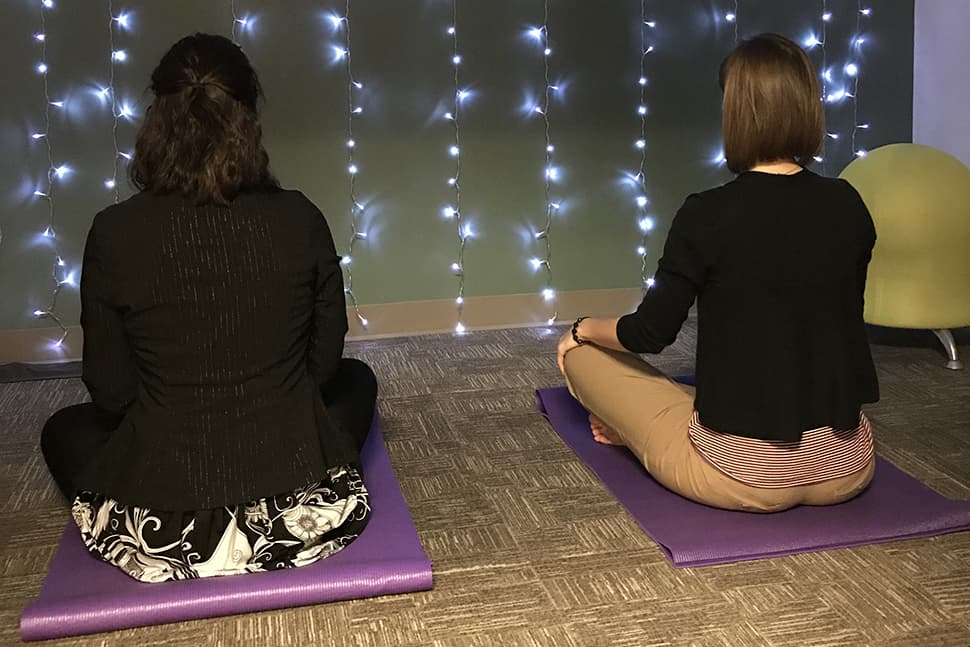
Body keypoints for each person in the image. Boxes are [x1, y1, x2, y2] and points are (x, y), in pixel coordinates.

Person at [40, 34, 376, 581]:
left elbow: (112, 390)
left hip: (165, 530)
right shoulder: (300, 217)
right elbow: (322, 368)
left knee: (64, 430)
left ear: (155, 120)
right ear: (249, 118)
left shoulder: (113, 232)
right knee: (358, 383)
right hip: (295, 515)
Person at [557, 33, 879, 513]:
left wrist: (583, 327)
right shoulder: (849, 203)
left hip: (738, 475)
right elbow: (836, 325)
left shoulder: (707, 213)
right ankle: (642, 424)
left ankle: (630, 422)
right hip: (847, 468)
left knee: (579, 354)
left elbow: (649, 333)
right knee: (687, 391)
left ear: (736, 113)